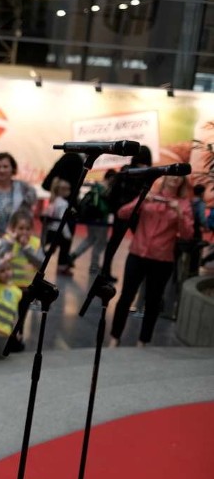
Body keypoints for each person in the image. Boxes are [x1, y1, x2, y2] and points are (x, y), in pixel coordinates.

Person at [109, 175, 194, 347]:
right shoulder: (149, 195)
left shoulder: (184, 204)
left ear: (183, 182)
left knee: (153, 302)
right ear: (165, 177)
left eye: (180, 177)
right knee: (126, 297)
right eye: (172, 174)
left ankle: (143, 341)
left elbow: (187, 234)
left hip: (162, 259)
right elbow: (122, 213)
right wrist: (139, 201)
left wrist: (178, 212)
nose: (175, 179)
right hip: (137, 254)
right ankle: (114, 338)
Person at [102, 146, 153, 282]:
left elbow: (117, 191)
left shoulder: (126, 169)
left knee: (113, 243)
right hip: (136, 213)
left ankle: (104, 272)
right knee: (142, 242)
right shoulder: (147, 172)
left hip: (121, 212)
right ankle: (143, 275)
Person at [70, 170, 115, 275]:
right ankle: (94, 266)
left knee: (90, 238)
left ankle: (73, 255)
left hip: (91, 217)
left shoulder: (96, 186)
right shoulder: (106, 189)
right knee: (100, 242)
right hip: (101, 219)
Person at [43, 176, 73, 276]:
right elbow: (62, 220)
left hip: (51, 229)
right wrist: (67, 234)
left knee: (47, 248)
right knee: (64, 249)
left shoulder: (54, 200)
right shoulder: (63, 203)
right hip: (58, 231)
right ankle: (62, 266)